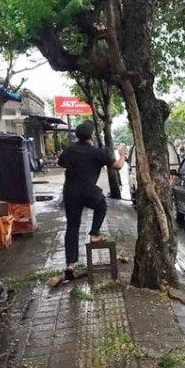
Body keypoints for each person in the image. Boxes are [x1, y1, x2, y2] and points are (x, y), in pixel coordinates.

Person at [58, 120, 127, 280]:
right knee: (101, 204)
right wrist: (122, 154)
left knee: (72, 227)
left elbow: (61, 162)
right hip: (88, 191)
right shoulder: (96, 152)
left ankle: (70, 264)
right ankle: (94, 234)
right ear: (92, 136)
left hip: (70, 192)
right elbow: (117, 165)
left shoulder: (69, 149)